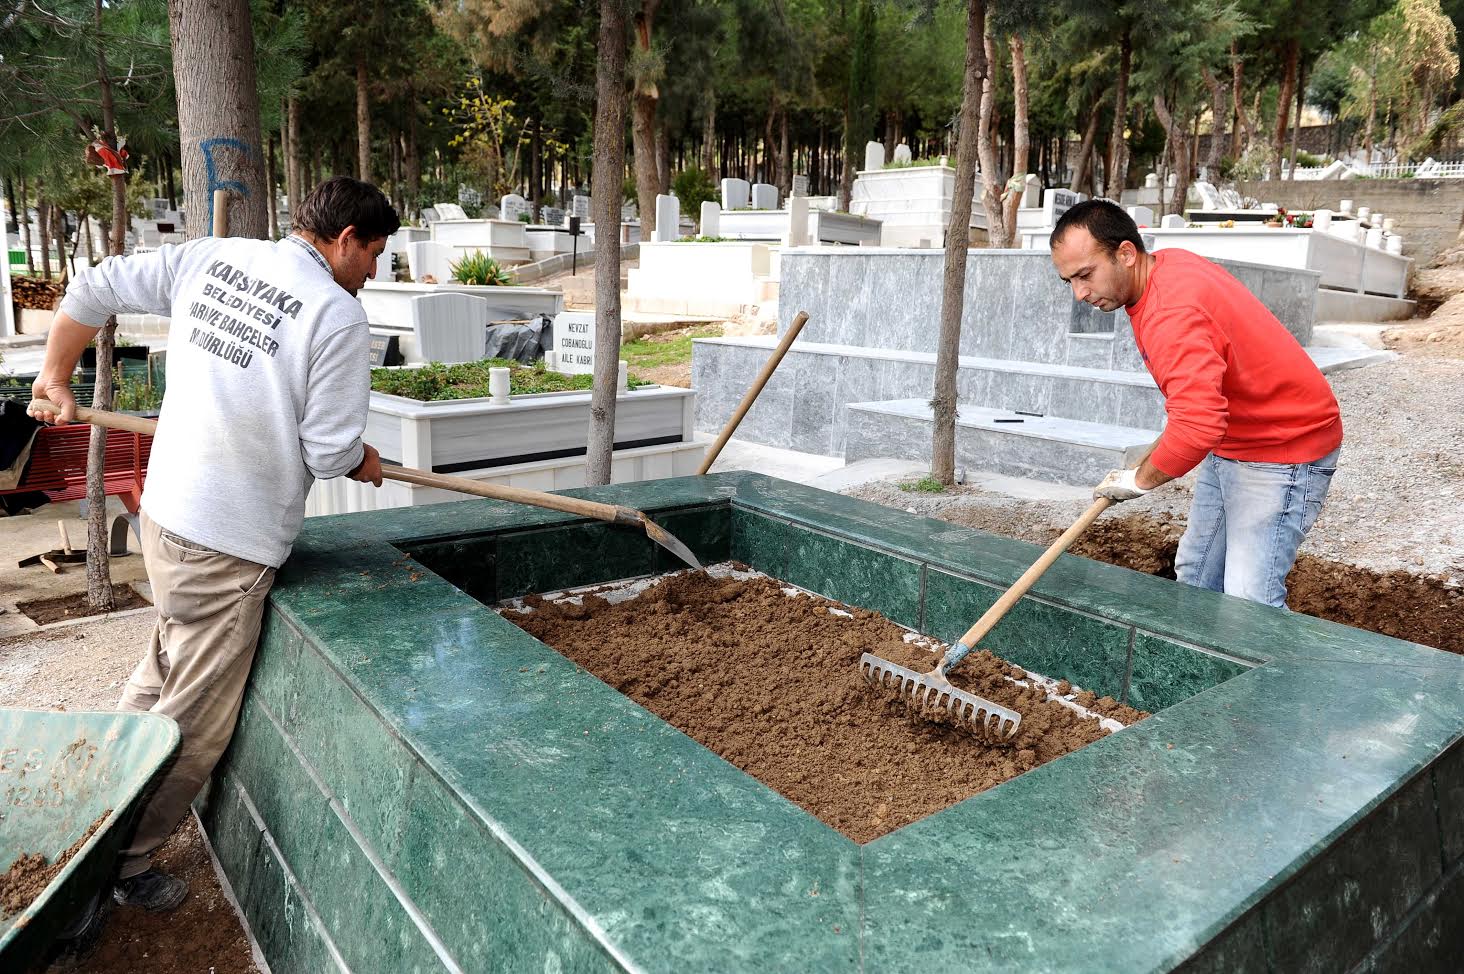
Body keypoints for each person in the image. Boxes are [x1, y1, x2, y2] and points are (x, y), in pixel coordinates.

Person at [28, 176, 397, 927]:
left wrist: (53, 374)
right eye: (375, 254)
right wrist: (359, 454)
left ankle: (89, 807)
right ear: (347, 237)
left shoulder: (215, 257)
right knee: (196, 722)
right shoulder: (335, 315)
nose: (374, 272)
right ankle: (109, 870)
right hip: (228, 545)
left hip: (167, 517)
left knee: (164, 662)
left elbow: (95, 285)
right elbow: (326, 450)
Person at [1048, 199, 1342, 608]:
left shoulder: (1171, 312)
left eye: (1085, 275)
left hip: (1284, 447)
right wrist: (1147, 455)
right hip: (1234, 439)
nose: (1080, 293)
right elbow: (1200, 407)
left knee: (1250, 602)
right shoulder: (1164, 267)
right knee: (1197, 572)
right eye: (1070, 282)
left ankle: (1275, 671)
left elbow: (1198, 425)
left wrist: (1138, 481)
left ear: (1126, 253)